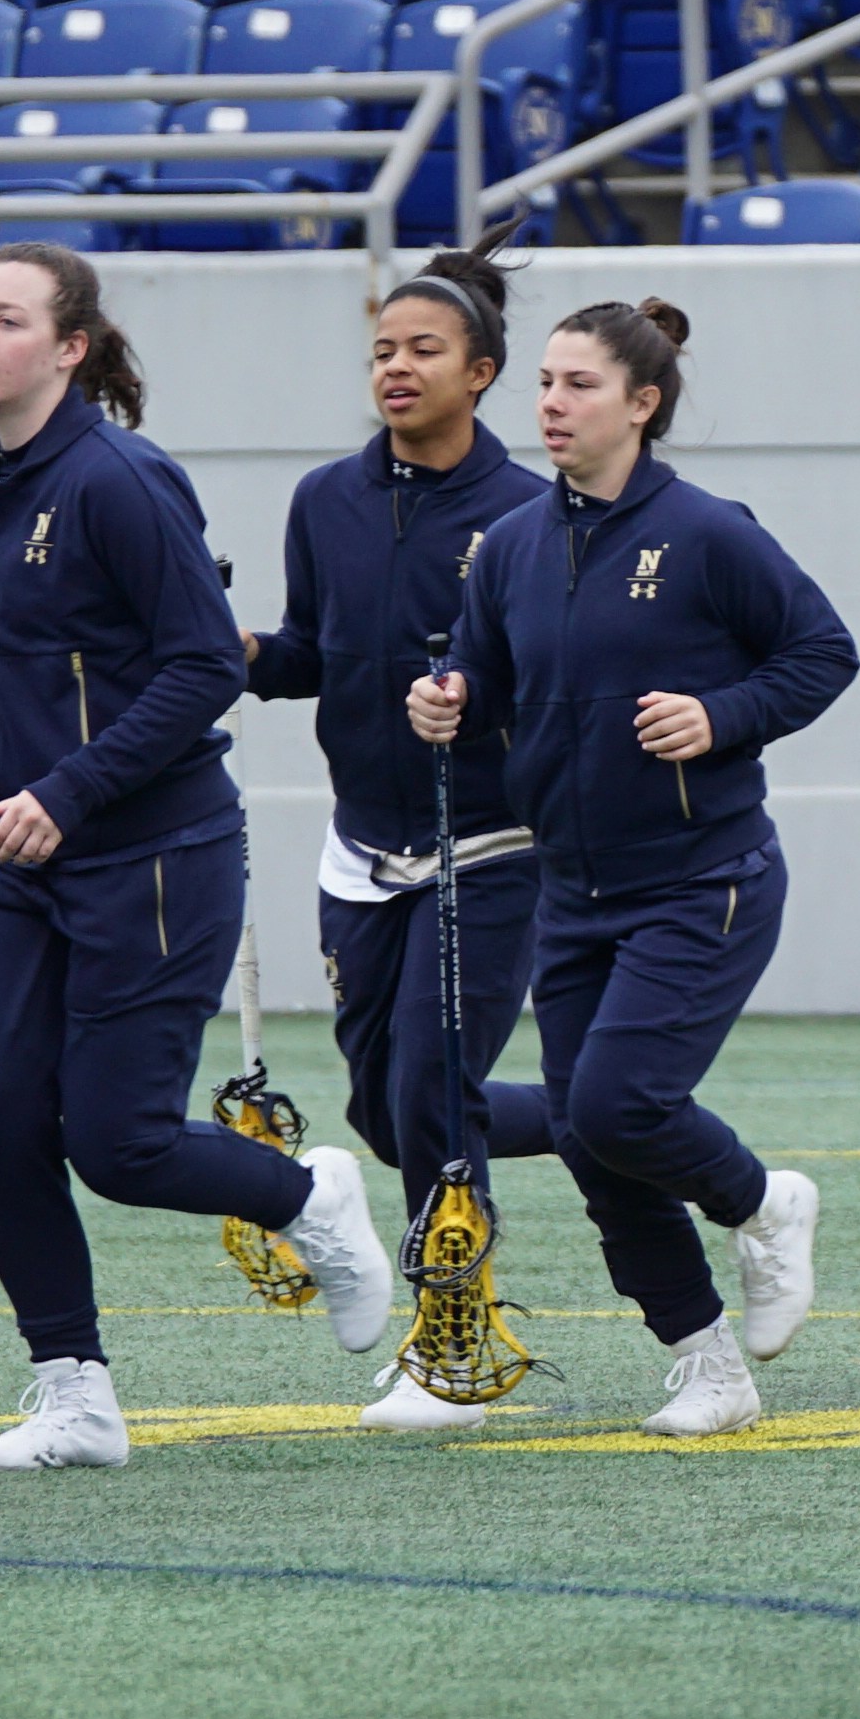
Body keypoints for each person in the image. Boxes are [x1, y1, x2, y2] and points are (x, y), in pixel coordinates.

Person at [0, 245, 394, 1468]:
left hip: (156, 853)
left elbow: (207, 663)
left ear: (72, 347)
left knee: (121, 1146)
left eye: (7, 319)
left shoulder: (122, 478)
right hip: (18, 858)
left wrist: (73, 784)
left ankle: (308, 1197)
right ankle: (75, 1396)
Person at [409, 297, 854, 1436]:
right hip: (574, 886)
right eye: (545, 384)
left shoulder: (709, 531)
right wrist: (446, 699)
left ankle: (766, 1201)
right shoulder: (508, 543)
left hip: (706, 877)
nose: (551, 405)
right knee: (589, 1135)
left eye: (579, 385)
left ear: (642, 403)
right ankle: (708, 1363)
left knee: (616, 1101)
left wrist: (722, 715)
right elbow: (481, 676)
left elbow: (821, 653)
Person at [242, 242, 551, 1426]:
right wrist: (248, 659)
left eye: (425, 350)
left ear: (482, 371)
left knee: (432, 1087)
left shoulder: (529, 513)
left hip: (494, 845)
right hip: (361, 846)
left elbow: (559, 677)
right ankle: (624, 1121)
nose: (398, 368)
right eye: (382, 350)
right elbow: (315, 650)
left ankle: (451, 1339)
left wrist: (481, 700)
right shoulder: (325, 498)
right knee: (388, 1111)